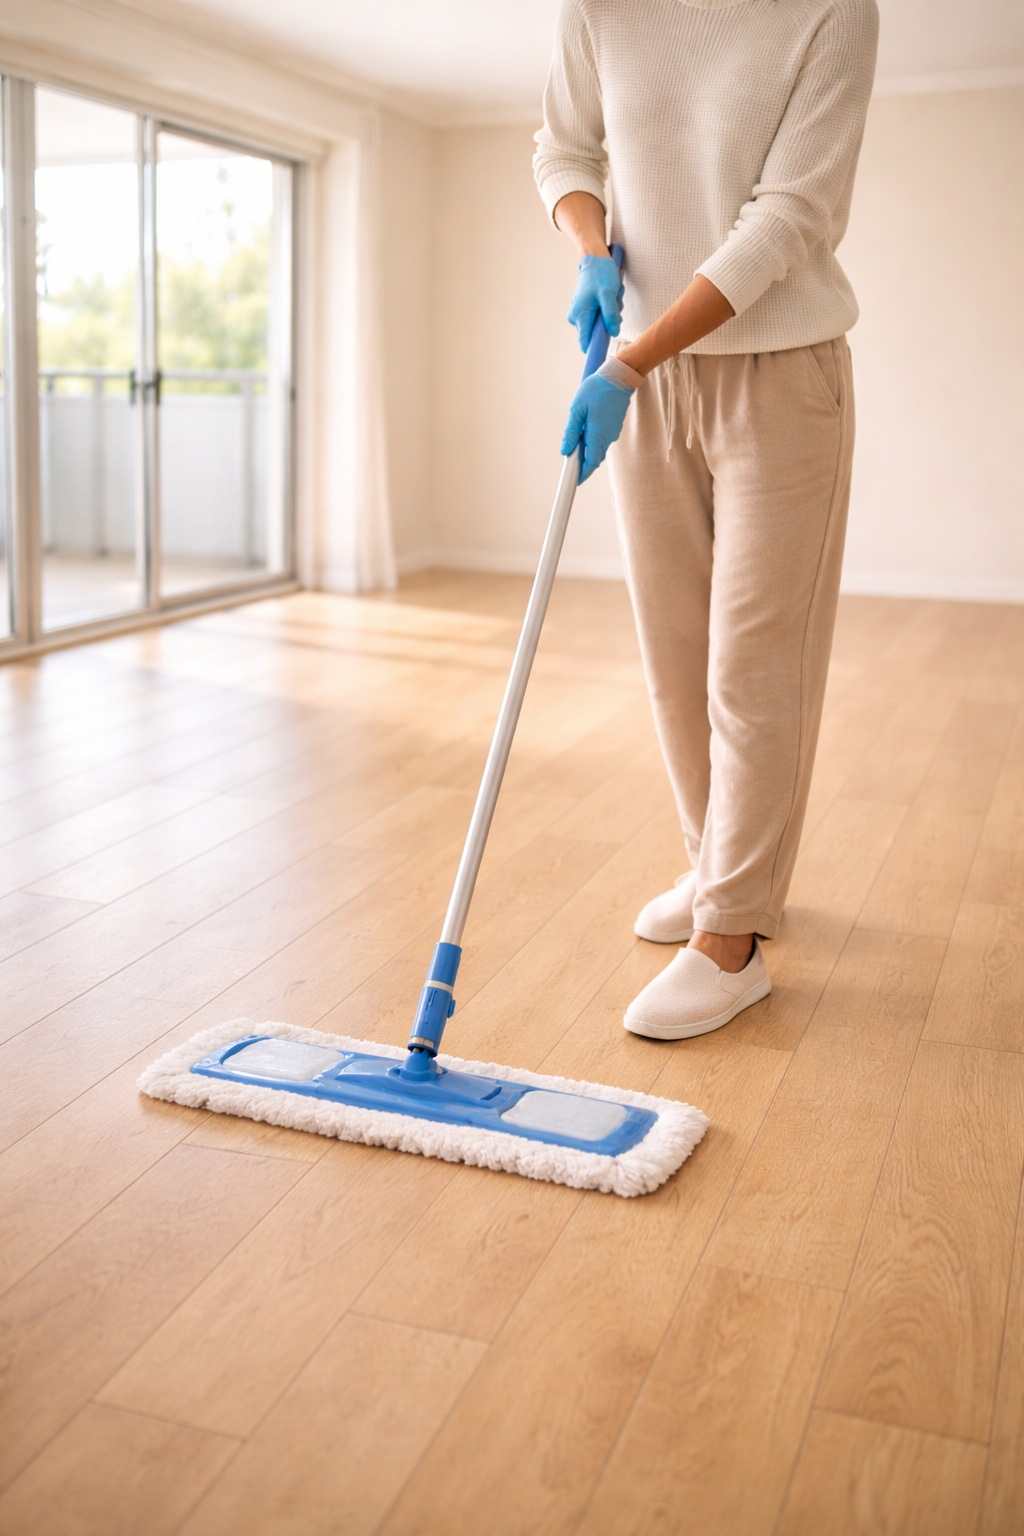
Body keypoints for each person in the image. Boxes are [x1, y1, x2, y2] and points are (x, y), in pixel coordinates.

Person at [535, 0, 878, 1040]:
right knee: (674, 654)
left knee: (754, 661)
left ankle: (731, 941)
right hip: (642, 373)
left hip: (775, 373)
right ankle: (716, 867)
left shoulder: (829, 11)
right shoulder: (600, 6)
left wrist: (637, 352)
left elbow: (789, 215)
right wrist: (593, 246)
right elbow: (564, 146)